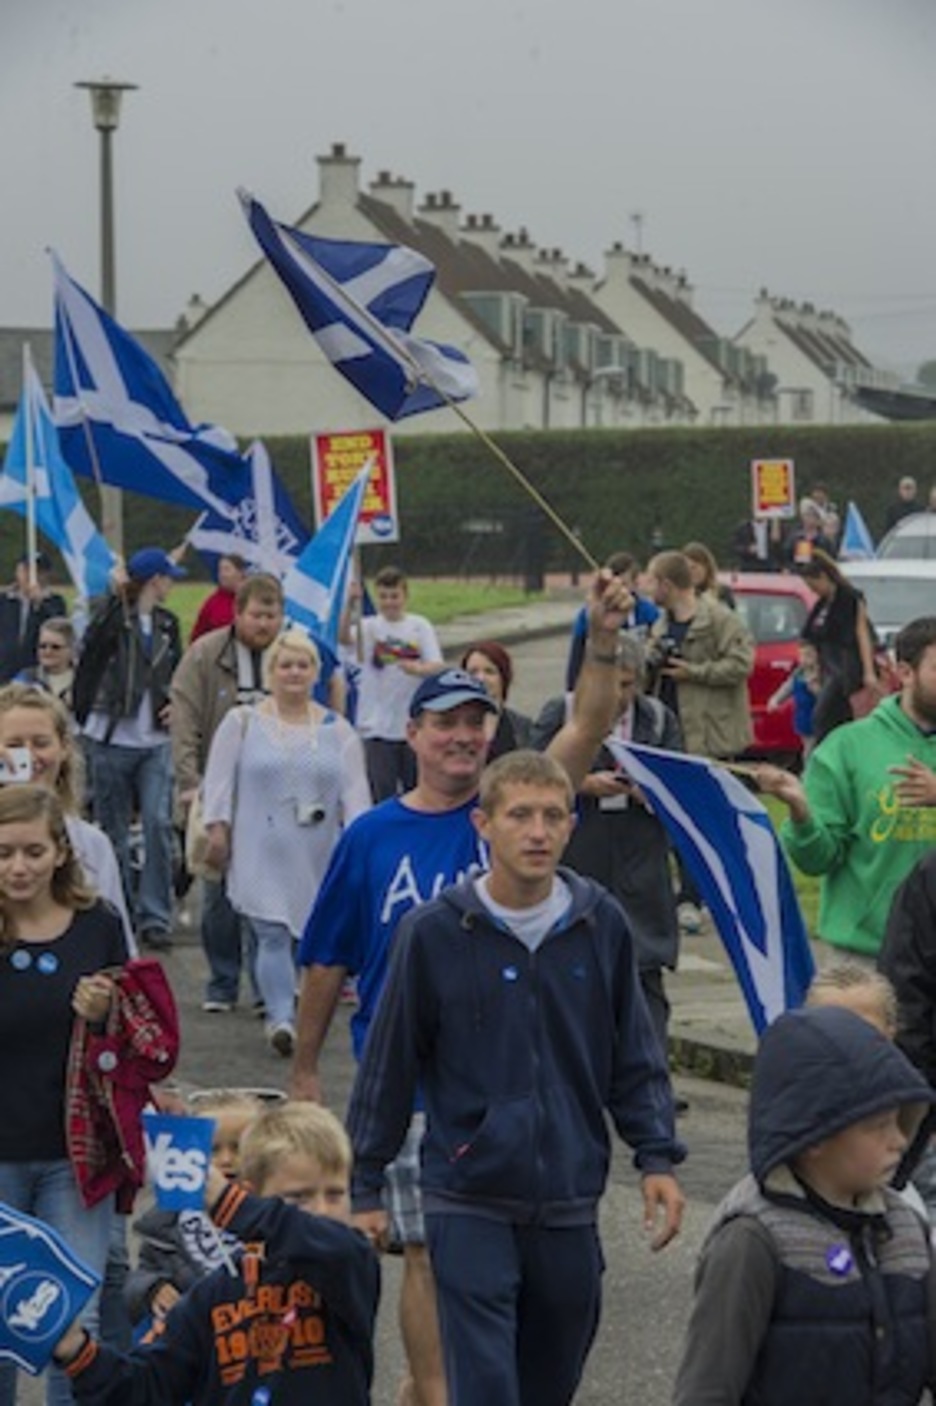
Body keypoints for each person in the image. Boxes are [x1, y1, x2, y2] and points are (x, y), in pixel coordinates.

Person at [291, 571, 634, 1406]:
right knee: (425, 1245)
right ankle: (437, 1387)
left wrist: (604, 633)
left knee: (494, 1254)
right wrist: (304, 1067)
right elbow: (328, 957)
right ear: (412, 733)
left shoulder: (521, 803)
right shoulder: (372, 835)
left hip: (510, 1074)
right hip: (405, 1072)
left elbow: (590, 719)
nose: (463, 738)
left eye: (476, 722)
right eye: (445, 723)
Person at [347, 749, 685, 1406]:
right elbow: (389, 1067)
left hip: (568, 1201)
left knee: (548, 1387)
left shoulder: (600, 923)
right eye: (520, 815)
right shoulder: (434, 933)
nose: (537, 831)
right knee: (488, 1390)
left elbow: (634, 1057)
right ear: (484, 825)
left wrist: (657, 1157)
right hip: (466, 1196)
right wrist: (364, 1183)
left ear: (570, 826)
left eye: (553, 816)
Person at [672, 1004, 936, 1406]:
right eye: (877, 1125)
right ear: (814, 1134)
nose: (899, 1140)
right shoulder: (753, 1240)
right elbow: (707, 1388)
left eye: (900, 1121)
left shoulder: (906, 1231)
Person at [52, 1102, 380, 1406]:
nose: (322, 1210)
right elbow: (146, 1387)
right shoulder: (212, 1295)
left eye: (336, 1194)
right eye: (299, 1198)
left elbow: (334, 1249)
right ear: (254, 1195)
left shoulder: (350, 1268)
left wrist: (233, 1206)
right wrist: (78, 1351)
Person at [0, 785, 132, 1406]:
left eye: (31, 851)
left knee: (77, 1322)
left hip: (75, 1156)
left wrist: (109, 1013)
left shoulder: (98, 926)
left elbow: (140, 1038)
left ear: (60, 851)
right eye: (3, 853)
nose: (17, 867)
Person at [202, 627, 370, 1056]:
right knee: (271, 931)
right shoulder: (242, 722)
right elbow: (218, 781)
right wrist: (216, 828)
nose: (294, 672)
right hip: (260, 845)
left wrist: (362, 845)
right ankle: (280, 1016)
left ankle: (310, 1008)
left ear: (316, 672)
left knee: (314, 935)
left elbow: (356, 795)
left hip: (318, 850)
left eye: (303, 664)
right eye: (285, 664)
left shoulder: (339, 731)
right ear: (271, 671)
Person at [533, 634, 682, 1055]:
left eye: (629, 684)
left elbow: (678, 783)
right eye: (612, 683)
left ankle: (651, 1085)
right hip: (583, 862)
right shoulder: (559, 713)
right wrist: (581, 783)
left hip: (640, 869)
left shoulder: (657, 719)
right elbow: (530, 780)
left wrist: (650, 790)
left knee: (644, 982)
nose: (620, 696)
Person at [757, 616, 936, 957]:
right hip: (867, 956)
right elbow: (819, 859)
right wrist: (801, 813)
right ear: (905, 673)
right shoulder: (846, 748)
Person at [170, 572, 284, 1010]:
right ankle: (222, 981)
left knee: (266, 894)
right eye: (257, 615)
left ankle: (266, 987)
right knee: (218, 893)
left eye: (272, 615)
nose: (264, 624)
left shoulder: (290, 655)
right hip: (218, 792)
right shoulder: (205, 655)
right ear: (238, 614)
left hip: (274, 796)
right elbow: (184, 720)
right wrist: (189, 782)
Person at [74, 548, 185, 952]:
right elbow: (93, 645)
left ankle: (156, 915)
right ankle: (116, 910)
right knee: (113, 831)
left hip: (154, 740)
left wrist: (176, 700)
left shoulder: (168, 624)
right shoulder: (111, 617)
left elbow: (177, 669)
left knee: (157, 823)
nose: (172, 583)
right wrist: (116, 595)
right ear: (154, 579)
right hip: (110, 738)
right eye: (168, 577)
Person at [646, 550, 754, 934]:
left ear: (667, 584)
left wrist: (694, 671)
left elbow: (742, 664)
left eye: (650, 579)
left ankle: (703, 895)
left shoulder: (719, 619)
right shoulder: (659, 626)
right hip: (671, 735)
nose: (646, 587)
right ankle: (692, 894)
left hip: (709, 734)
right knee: (679, 819)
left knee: (710, 820)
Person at [0, 683, 133, 947]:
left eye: (41, 743)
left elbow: (117, 944)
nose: (29, 756)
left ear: (63, 748)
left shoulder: (91, 843)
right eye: (14, 744)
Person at [124, 1089, 263, 1330]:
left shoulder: (276, 1215)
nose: (227, 1160)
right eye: (213, 1150)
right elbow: (141, 1275)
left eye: (239, 1148)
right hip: (195, 1334)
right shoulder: (168, 1220)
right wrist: (154, 1289)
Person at [346, 565, 443, 801]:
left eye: (394, 596)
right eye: (384, 597)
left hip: (411, 725)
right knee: (382, 792)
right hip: (376, 726)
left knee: (415, 790)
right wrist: (350, 605)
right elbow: (343, 638)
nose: (389, 602)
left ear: (405, 596)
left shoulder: (419, 626)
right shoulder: (369, 627)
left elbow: (436, 665)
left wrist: (418, 669)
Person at [799, 550, 879, 741]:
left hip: (843, 666)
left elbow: (862, 633)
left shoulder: (850, 598)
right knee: (838, 717)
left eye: (813, 585)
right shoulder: (822, 604)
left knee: (822, 716)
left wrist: (869, 672)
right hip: (826, 667)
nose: (812, 591)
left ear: (824, 577)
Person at [564, 550, 658, 689]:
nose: (620, 592)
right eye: (614, 585)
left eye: (625, 584)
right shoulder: (588, 614)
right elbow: (576, 658)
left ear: (636, 583)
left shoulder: (649, 612)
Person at [0, 551, 68, 685]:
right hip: (4, 669)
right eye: (26, 570)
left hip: (37, 671)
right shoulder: (4, 600)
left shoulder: (54, 601)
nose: (31, 576)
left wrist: (41, 602)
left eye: (38, 572)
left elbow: (60, 627)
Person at [460, 639, 533, 761]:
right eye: (473, 672)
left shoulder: (523, 728)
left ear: (503, 679)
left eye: (489, 671)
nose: (481, 678)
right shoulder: (451, 726)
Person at [766, 638, 821, 757]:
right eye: (801, 656)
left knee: (811, 750)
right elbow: (787, 687)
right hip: (803, 719)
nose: (804, 660)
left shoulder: (819, 673)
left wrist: (813, 687)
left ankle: (810, 772)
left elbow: (823, 695)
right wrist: (776, 699)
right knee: (807, 747)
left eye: (809, 656)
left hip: (816, 720)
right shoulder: (799, 672)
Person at [14, 615, 78, 713]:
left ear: (71, 650)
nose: (48, 651)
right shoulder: (25, 678)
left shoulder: (84, 681)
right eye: (42, 646)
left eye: (55, 647)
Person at [189, 553, 248, 643]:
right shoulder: (212, 603)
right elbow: (196, 638)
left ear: (241, 573)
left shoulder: (253, 599)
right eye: (220, 570)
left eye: (227, 569)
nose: (222, 574)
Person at [783, 497, 837, 568]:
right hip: (798, 574)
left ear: (818, 519)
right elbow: (787, 556)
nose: (809, 519)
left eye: (812, 516)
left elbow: (830, 560)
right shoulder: (795, 538)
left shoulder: (824, 540)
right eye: (807, 515)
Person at [682, 540, 735, 609]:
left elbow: (730, 617)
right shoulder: (680, 595)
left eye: (695, 567)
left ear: (707, 567)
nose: (692, 573)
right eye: (688, 568)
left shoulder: (722, 592)